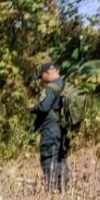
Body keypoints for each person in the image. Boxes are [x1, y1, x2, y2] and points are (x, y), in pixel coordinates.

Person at [31, 62, 69, 191]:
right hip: (62, 128)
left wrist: (33, 108)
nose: (42, 80)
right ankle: (62, 187)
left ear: (46, 73)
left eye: (42, 76)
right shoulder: (66, 86)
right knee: (60, 158)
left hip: (50, 128)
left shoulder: (51, 88)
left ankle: (52, 188)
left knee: (48, 157)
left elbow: (44, 107)